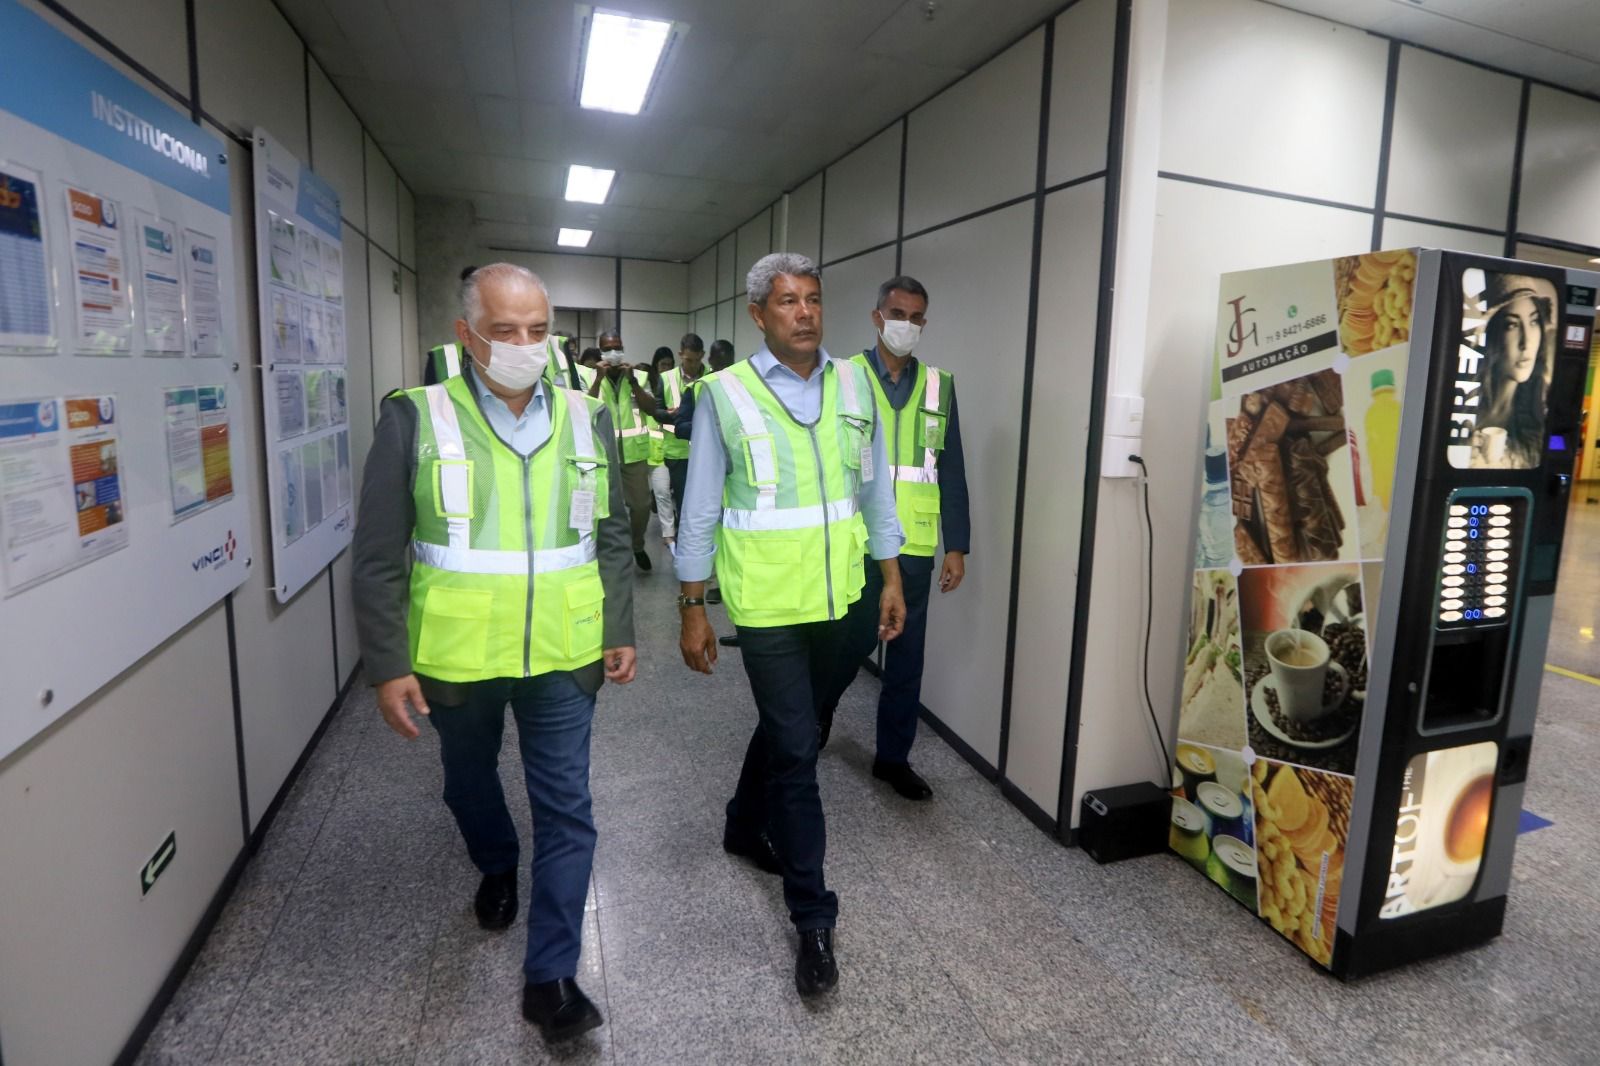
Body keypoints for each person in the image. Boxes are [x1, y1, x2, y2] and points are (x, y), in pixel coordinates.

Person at [351, 263, 636, 1043]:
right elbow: (376, 555)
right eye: (504, 330)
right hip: (459, 652)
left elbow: (610, 532)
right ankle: (496, 860)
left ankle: (551, 978)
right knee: (468, 780)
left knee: (568, 807)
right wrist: (388, 664)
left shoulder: (587, 415)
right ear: (467, 334)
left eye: (538, 331)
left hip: (564, 650)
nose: (523, 345)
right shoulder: (415, 416)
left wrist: (619, 626)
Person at [675, 252, 906, 998]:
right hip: (769, 605)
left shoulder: (855, 384)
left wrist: (891, 577)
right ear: (758, 314)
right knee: (800, 753)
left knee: (796, 727)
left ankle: (743, 825)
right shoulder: (724, 394)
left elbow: (874, 490)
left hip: (844, 601)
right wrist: (692, 608)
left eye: (812, 299)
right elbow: (700, 507)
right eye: (786, 301)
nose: (804, 312)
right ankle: (813, 917)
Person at [818, 276, 970, 801]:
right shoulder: (843, 377)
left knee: (907, 659)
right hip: (857, 541)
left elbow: (950, 469)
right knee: (847, 645)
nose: (906, 324)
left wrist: (956, 545)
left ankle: (893, 759)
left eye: (915, 316)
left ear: (924, 322)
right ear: (877, 316)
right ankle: (819, 711)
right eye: (897, 313)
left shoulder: (939, 386)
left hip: (915, 545)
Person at [587, 329, 668, 569]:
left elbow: (651, 408)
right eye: (608, 349)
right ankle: (602, 551)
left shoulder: (639, 376)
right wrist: (598, 379)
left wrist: (632, 381)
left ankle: (637, 545)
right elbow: (584, 408)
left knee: (641, 506)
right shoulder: (589, 375)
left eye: (617, 348)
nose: (613, 353)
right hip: (602, 456)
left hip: (634, 454)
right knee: (602, 507)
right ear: (601, 351)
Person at [1470, 271, 1557, 469]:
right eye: (1512, 325)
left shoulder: (1541, 413)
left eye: (1534, 321)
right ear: (1491, 335)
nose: (1526, 342)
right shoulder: (1463, 403)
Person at [654, 333, 708, 517]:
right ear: (680, 355)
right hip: (677, 452)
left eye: (696, 360)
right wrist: (671, 415)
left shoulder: (712, 376)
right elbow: (656, 412)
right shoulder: (666, 378)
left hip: (706, 450)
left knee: (705, 500)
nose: (692, 365)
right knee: (684, 500)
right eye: (688, 360)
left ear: (703, 355)